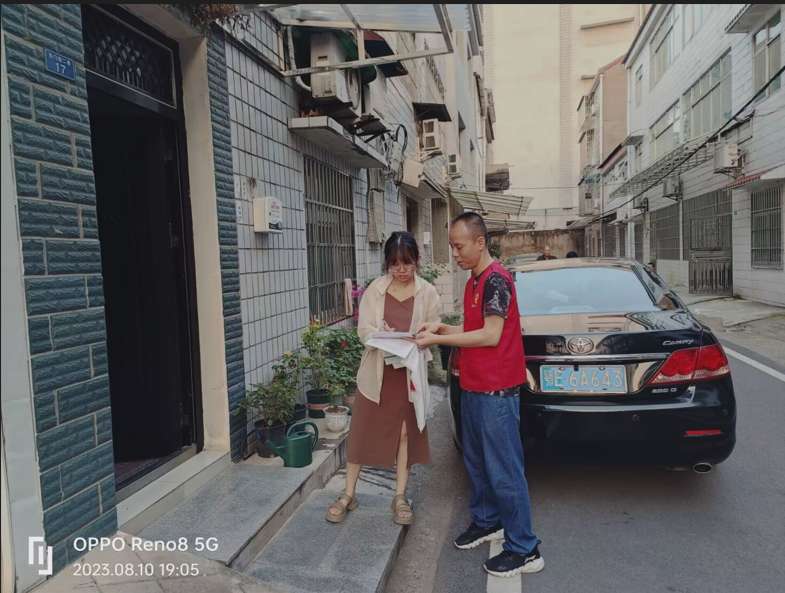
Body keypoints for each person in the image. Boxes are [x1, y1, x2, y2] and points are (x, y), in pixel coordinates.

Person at [409, 213, 544, 578]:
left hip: (496, 391)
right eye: (452, 247)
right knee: (478, 462)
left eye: (459, 246)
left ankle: (525, 548)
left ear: (480, 242)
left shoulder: (496, 279)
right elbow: (473, 328)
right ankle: (487, 521)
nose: (454, 254)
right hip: (473, 386)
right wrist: (442, 327)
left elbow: (490, 335)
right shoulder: (475, 280)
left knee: (504, 470)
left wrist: (438, 338)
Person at [326, 231, 441, 526]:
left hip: (408, 375)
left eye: (407, 263)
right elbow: (363, 331)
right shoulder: (375, 290)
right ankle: (348, 494)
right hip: (377, 372)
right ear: (387, 263)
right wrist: (383, 335)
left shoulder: (427, 292)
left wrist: (423, 335)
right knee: (361, 431)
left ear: (417, 259)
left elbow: (435, 326)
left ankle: (399, 496)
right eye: (394, 264)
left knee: (404, 433)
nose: (401, 270)